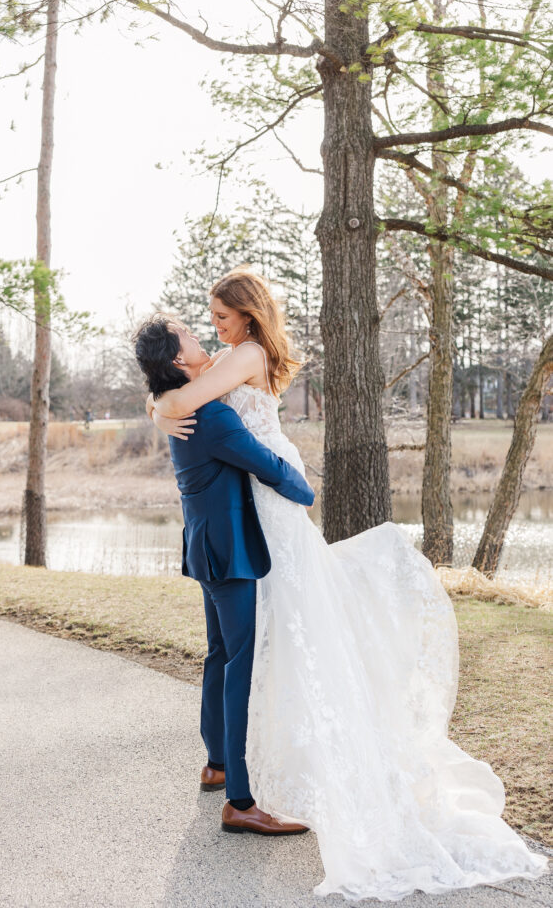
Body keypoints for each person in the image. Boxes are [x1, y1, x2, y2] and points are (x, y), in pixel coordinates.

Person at [148, 267, 549, 902]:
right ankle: (235, 767)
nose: (216, 327)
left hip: (270, 497)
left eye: (221, 316)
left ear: (248, 317)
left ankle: (236, 765)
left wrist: (160, 402)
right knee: (256, 641)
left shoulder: (244, 353)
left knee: (272, 632)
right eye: (208, 321)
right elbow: (183, 395)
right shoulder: (232, 356)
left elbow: (182, 401)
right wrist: (162, 397)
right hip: (257, 499)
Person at [133, 314, 315, 837]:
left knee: (221, 654)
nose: (202, 334)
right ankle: (240, 798)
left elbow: (169, 400)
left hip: (207, 546)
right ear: (176, 359)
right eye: (191, 333)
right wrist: (305, 492)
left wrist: (155, 406)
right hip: (231, 550)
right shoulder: (208, 417)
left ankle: (215, 762)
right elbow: (264, 464)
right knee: (241, 661)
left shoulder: (182, 408)